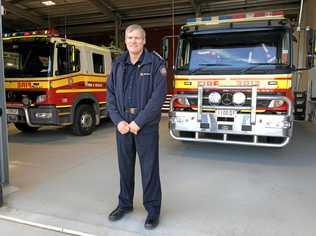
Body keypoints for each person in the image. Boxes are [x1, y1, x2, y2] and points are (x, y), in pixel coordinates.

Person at [106, 24, 167, 230]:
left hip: (145, 126)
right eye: (130, 37)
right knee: (125, 168)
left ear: (144, 40)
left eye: (137, 38)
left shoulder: (155, 64)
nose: (133, 41)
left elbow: (157, 99)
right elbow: (110, 96)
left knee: (149, 169)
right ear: (125, 40)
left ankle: (153, 210)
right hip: (123, 125)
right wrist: (119, 121)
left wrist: (138, 122)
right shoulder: (118, 64)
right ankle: (125, 204)